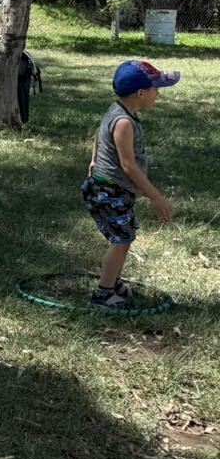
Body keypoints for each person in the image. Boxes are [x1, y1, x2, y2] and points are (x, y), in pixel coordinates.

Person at [80, 60, 180, 310]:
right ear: (141, 93)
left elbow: (98, 132)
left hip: (114, 190)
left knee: (124, 238)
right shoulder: (124, 122)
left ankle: (113, 284)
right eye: (156, 89)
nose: (158, 94)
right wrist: (155, 196)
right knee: (120, 241)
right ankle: (103, 294)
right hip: (108, 191)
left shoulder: (118, 111)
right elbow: (128, 165)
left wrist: (94, 159)